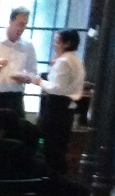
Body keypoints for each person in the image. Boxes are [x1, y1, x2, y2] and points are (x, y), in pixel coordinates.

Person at [30, 30, 85, 174]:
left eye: (57, 41)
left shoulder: (64, 61)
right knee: (61, 143)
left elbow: (58, 88)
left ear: (67, 43)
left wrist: (39, 82)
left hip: (57, 106)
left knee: (51, 143)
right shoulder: (76, 60)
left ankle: (51, 175)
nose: (55, 45)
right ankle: (57, 175)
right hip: (67, 107)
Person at [0, 7, 37, 113]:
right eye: (20, 24)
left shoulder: (28, 46)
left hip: (16, 96)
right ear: (11, 22)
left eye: (25, 24)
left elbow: (33, 72)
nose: (22, 28)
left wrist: (27, 78)